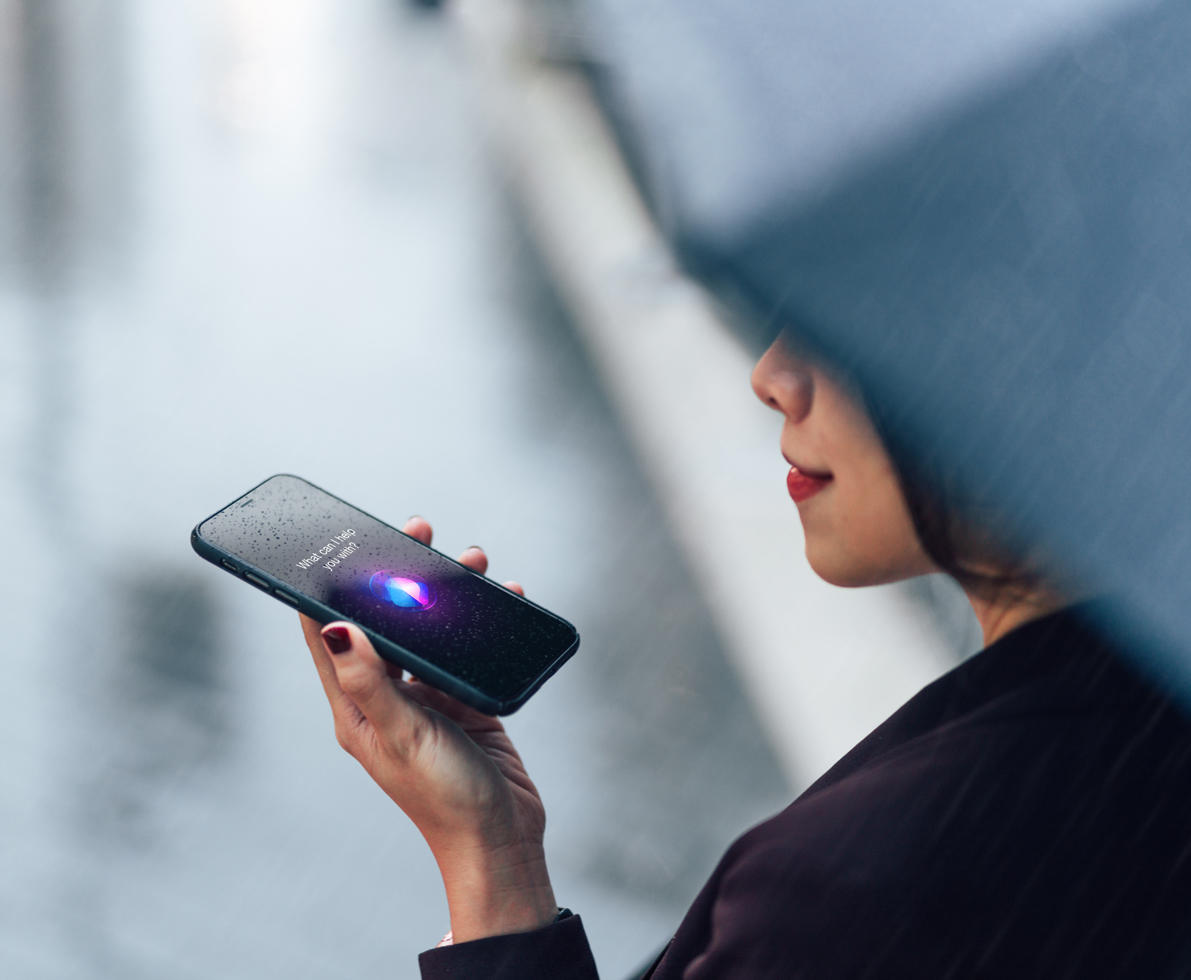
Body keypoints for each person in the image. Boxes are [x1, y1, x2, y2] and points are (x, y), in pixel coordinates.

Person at [300, 333, 1191, 977]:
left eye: (843, 327)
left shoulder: (854, 889)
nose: (773, 375)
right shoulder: (1138, 708)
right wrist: (492, 846)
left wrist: (479, 872)